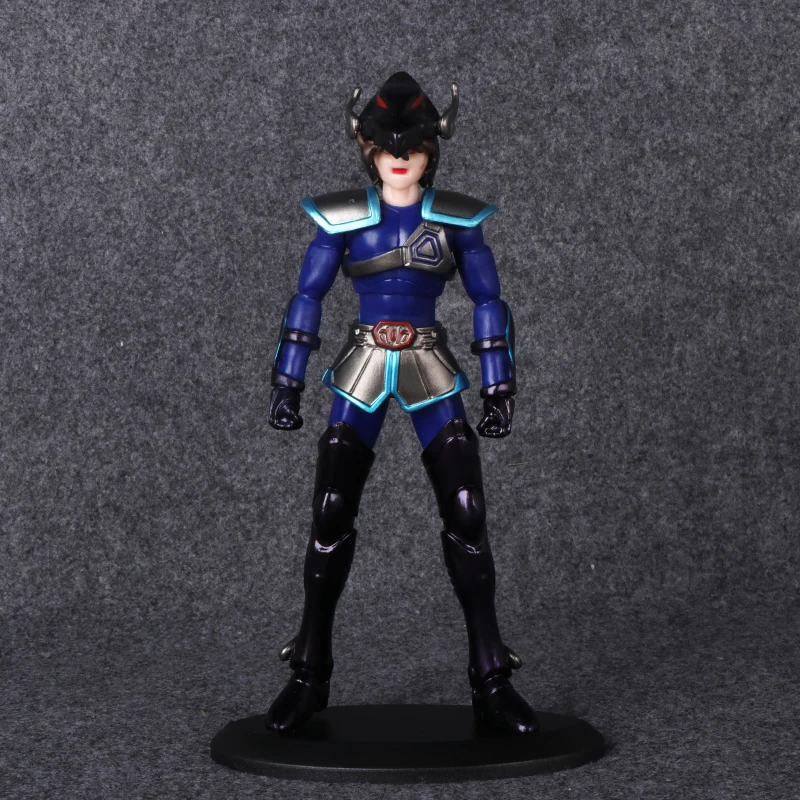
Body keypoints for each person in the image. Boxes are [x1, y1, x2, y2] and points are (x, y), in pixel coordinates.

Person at [265, 72, 536, 735]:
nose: (399, 156)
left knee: (466, 512)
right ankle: (308, 674)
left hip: (428, 364)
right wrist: (287, 379)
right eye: (386, 145)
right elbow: (307, 297)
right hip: (362, 364)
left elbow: (488, 301)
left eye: (411, 145)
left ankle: (491, 679)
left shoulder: (456, 220)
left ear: (431, 148)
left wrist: (498, 383)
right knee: (330, 511)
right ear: (366, 148)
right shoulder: (341, 219)